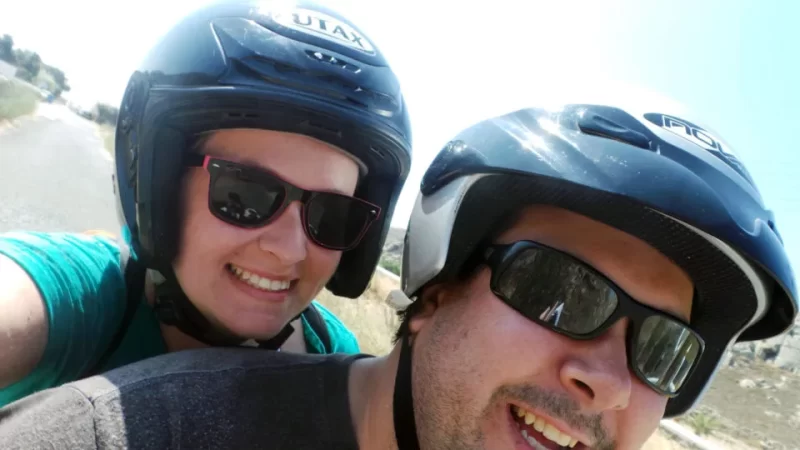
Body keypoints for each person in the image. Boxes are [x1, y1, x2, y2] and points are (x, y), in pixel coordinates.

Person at [1, 100, 796, 450]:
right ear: (433, 292)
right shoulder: (128, 433)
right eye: (564, 294)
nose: (613, 384)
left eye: (665, 351)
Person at [0, 0, 412, 407]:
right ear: (161, 186)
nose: (288, 249)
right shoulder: (86, 300)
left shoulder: (331, 355)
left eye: (331, 215)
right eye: (245, 192)